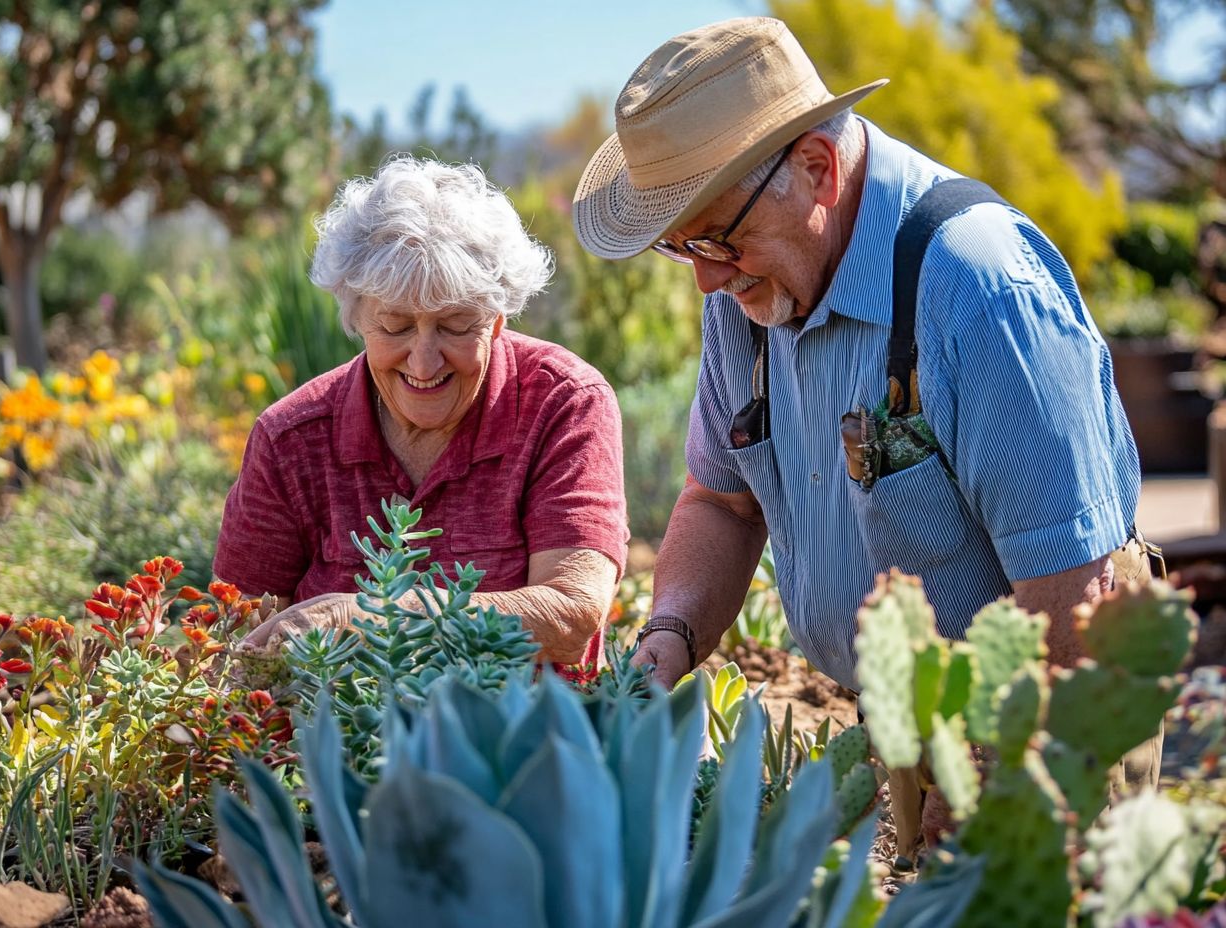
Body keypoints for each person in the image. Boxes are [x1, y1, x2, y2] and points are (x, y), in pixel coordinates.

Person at [573, 16, 1156, 860]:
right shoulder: (746, 299)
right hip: (912, 715)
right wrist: (669, 637)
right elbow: (723, 503)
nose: (703, 274)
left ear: (815, 166)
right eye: (679, 244)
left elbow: (1073, 598)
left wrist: (1008, 780)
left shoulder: (978, 289)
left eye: (716, 235)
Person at [216, 155, 628, 667]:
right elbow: (232, 639)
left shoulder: (563, 403)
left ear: (497, 318)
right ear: (356, 317)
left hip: (527, 736)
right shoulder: (292, 439)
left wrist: (366, 619)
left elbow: (570, 613)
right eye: (395, 327)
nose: (425, 360)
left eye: (455, 326)